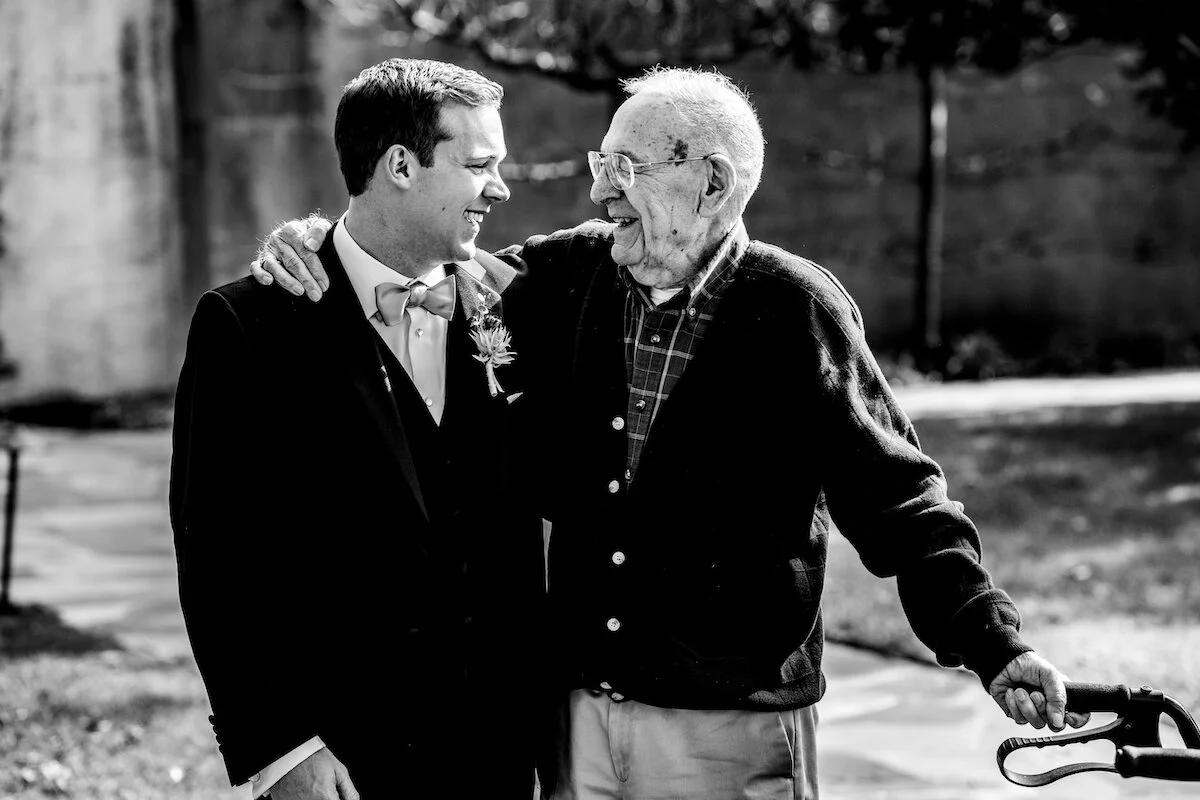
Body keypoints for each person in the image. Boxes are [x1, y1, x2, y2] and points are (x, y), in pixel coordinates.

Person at [253, 67, 1088, 799]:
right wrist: (317, 243)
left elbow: (899, 498)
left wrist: (992, 643)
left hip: (727, 731)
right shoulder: (570, 274)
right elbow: (432, 260)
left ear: (711, 182)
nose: (600, 193)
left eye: (625, 169)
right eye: (600, 165)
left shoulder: (794, 311)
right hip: (580, 720)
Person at [170, 59, 545, 800]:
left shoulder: (517, 305)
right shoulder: (250, 323)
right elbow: (216, 551)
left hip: (502, 753)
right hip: (340, 757)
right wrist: (280, 748)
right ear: (401, 166)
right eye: (479, 166)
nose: (500, 188)